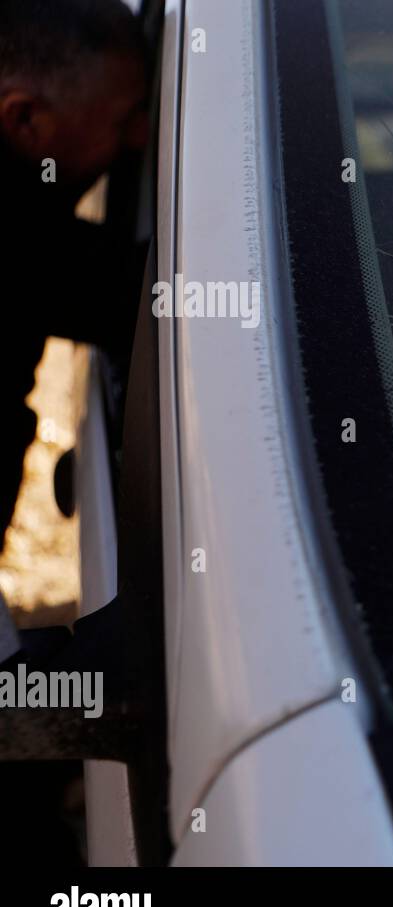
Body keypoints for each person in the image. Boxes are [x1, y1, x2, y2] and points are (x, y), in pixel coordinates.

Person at [0, 0, 150, 553]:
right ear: (26, 119)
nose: (142, 137)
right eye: (127, 116)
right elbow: (149, 294)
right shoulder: (20, 238)